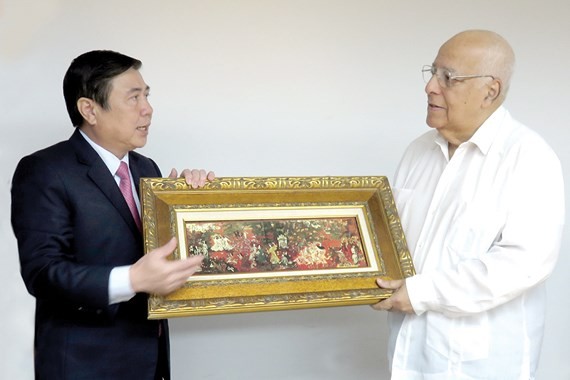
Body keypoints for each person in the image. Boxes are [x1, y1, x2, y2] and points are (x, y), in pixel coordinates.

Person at [11, 50, 215, 379]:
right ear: (89, 109)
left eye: (146, 96)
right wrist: (132, 280)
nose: (147, 109)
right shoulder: (45, 170)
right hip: (84, 365)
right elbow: (43, 272)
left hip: (149, 362)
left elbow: (160, 260)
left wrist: (182, 207)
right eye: (133, 98)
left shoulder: (146, 170)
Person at [372, 30, 565, 379]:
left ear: (490, 90)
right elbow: (390, 241)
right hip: (406, 354)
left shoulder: (530, 157)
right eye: (432, 72)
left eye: (448, 77)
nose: (430, 86)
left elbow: (523, 263)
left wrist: (421, 293)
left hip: (480, 365)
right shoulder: (417, 152)